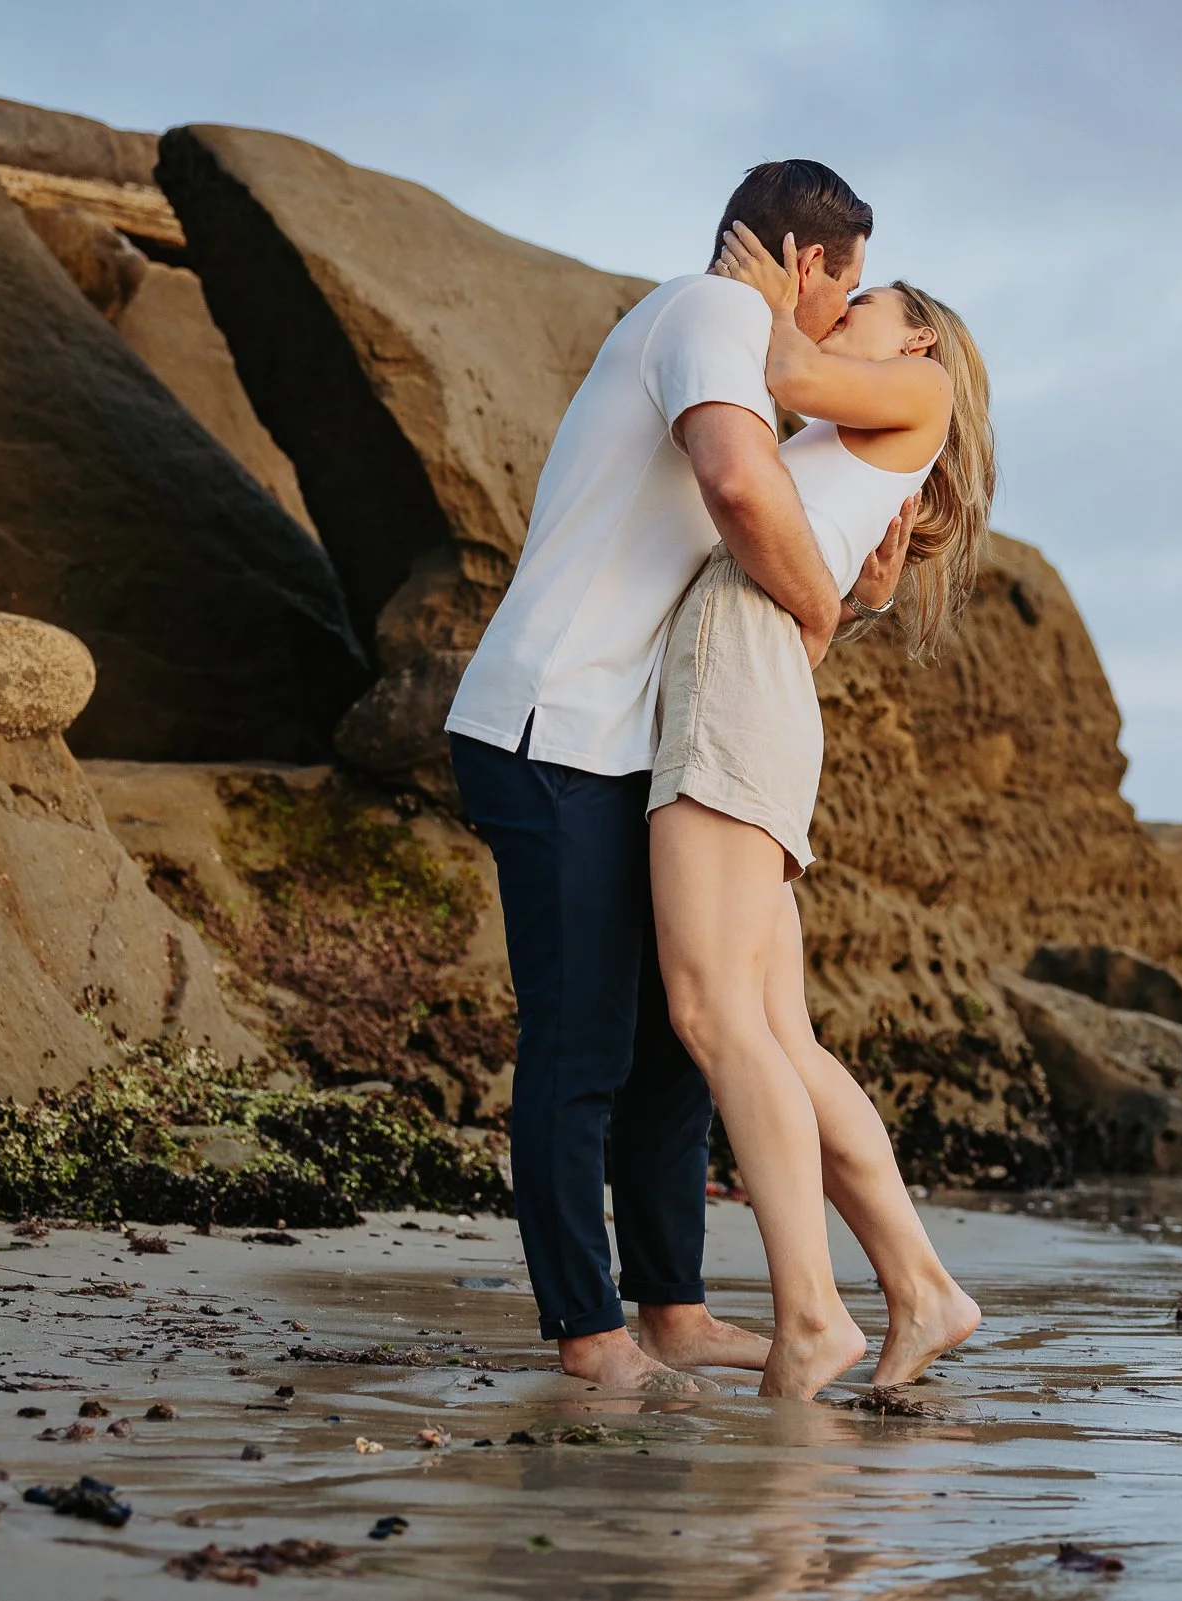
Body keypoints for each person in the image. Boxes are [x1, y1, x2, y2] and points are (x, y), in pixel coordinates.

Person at [446, 161, 889, 1393]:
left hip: (633, 747)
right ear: (807, 264)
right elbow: (738, 487)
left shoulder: (739, 352)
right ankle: (589, 1335)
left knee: (672, 1051)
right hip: (552, 725)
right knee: (582, 1042)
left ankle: (675, 1310)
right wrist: (822, 592)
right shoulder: (714, 313)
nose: (835, 333)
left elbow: (761, 567)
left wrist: (848, 585)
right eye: (840, 300)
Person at [647, 220, 993, 1398]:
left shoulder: (920, 386)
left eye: (862, 306)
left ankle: (808, 1316)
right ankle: (921, 1289)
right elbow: (800, 595)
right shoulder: (846, 445)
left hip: (740, 686)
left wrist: (764, 294)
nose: (837, 314)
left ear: (920, 340)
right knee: (778, 1035)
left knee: (711, 1014)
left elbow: (784, 365)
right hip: (761, 685)